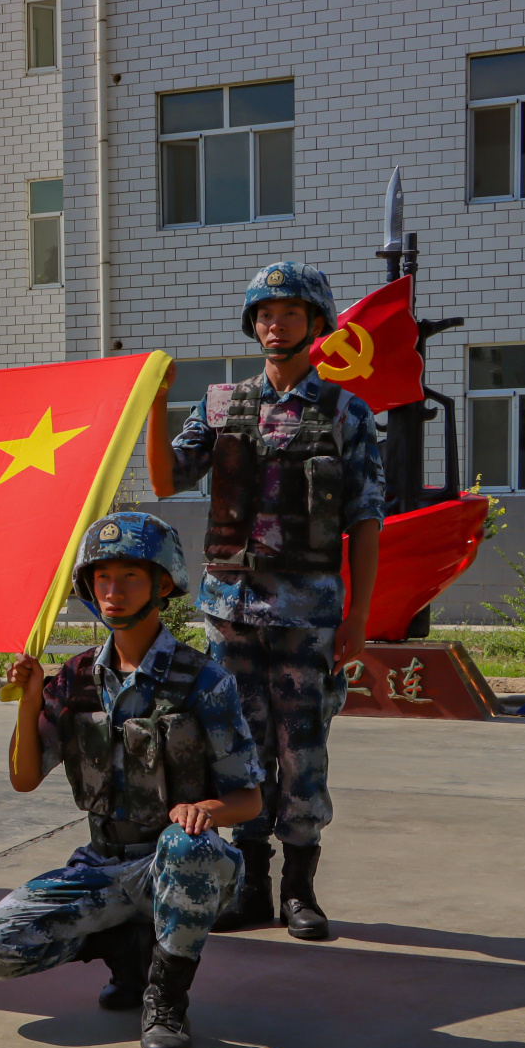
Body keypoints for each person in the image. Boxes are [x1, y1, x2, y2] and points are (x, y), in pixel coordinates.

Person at [0, 513, 264, 1048]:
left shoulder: (204, 681)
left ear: (164, 584)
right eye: (102, 577)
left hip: (182, 866)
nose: (113, 590)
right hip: (102, 866)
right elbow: (24, 779)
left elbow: (249, 798)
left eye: (129, 576)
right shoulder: (75, 679)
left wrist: (202, 808)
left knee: (185, 845)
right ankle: (130, 953)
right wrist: (32, 699)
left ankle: (166, 1000)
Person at [146, 262, 384, 942]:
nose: (273, 325)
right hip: (231, 612)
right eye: (263, 314)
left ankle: (300, 888)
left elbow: (365, 518)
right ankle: (250, 882)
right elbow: (166, 481)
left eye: (287, 313)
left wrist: (359, 617)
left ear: (316, 324)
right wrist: (152, 406)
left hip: (309, 613)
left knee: (302, 748)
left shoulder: (346, 413)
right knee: (242, 749)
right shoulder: (220, 406)